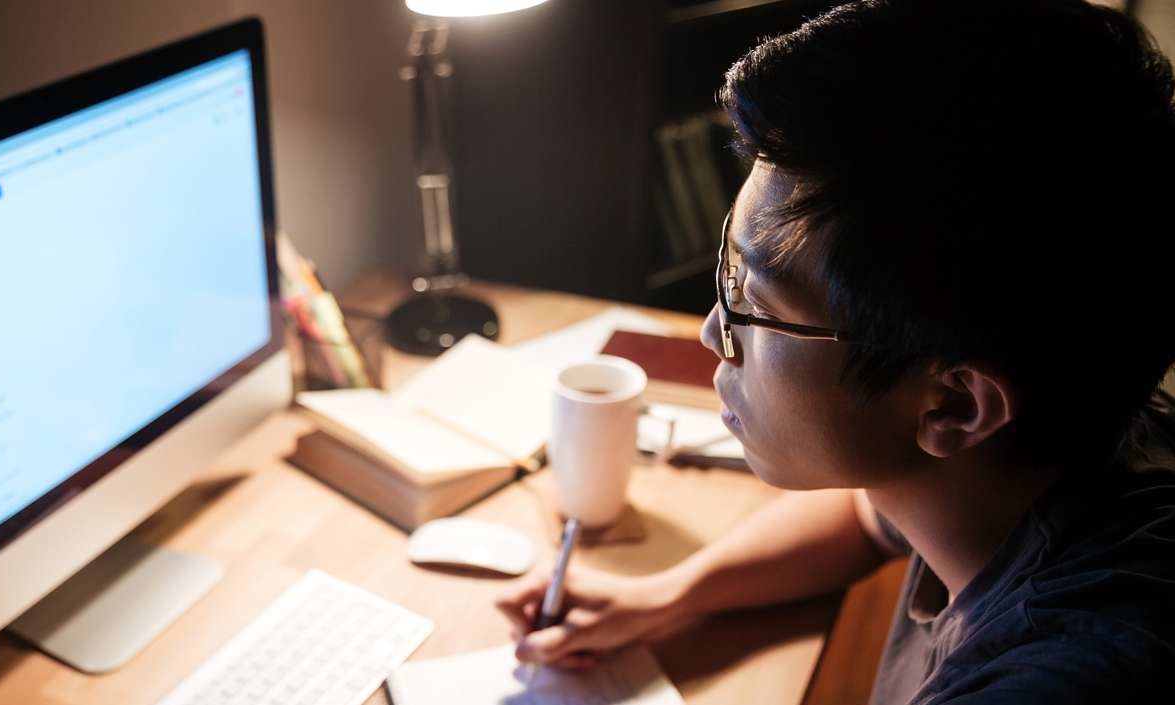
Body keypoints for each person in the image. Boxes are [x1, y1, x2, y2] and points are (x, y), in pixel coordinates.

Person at [495, 1, 1175, 702]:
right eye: (728, 271)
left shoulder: (1063, 674)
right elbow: (865, 517)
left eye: (754, 304)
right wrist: (665, 594)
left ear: (953, 403)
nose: (710, 333)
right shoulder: (1037, 458)